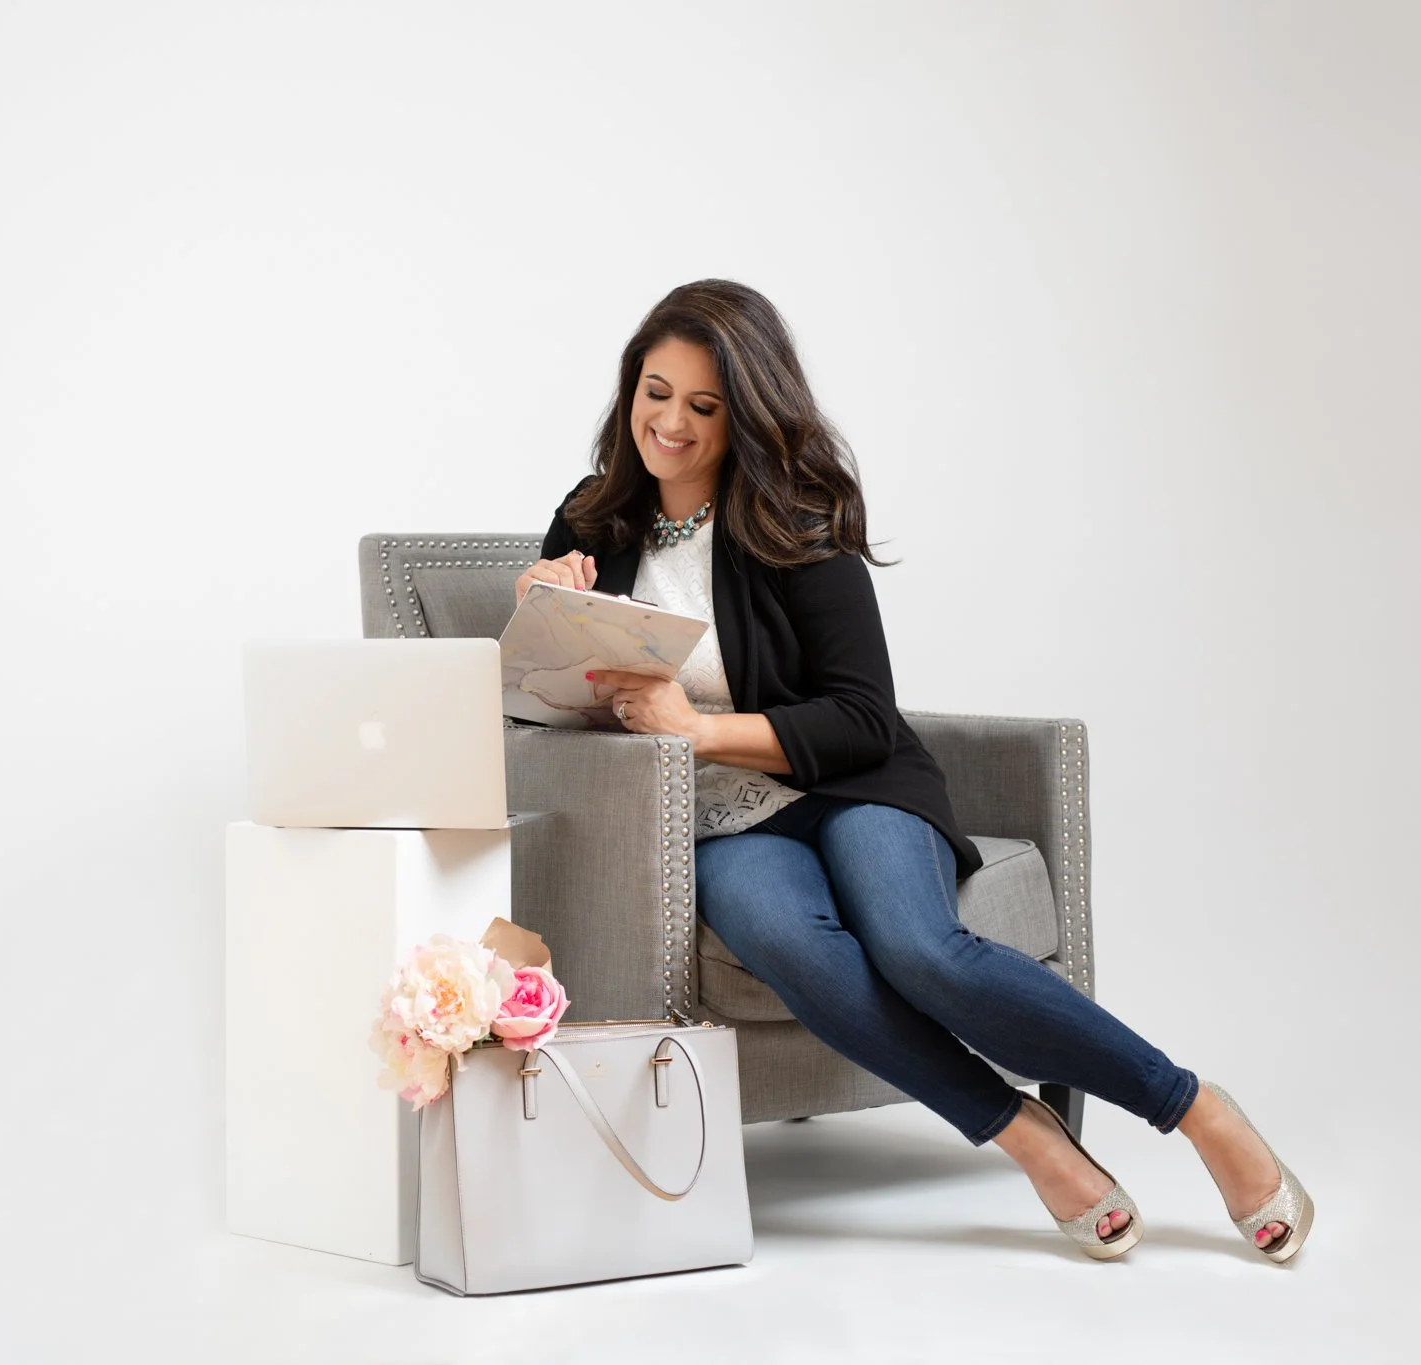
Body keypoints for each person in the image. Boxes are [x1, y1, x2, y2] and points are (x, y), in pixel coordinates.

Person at [513, 279, 1313, 1264]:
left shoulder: (796, 524)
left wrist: (697, 731)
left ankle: (1191, 1107)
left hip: (852, 785)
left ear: (745, 414)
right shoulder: (589, 521)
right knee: (794, 945)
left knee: (920, 949)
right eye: (655, 391)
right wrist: (539, 602)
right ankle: (1022, 1132)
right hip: (715, 821)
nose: (669, 422)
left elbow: (861, 716)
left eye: (702, 404)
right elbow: (547, 700)